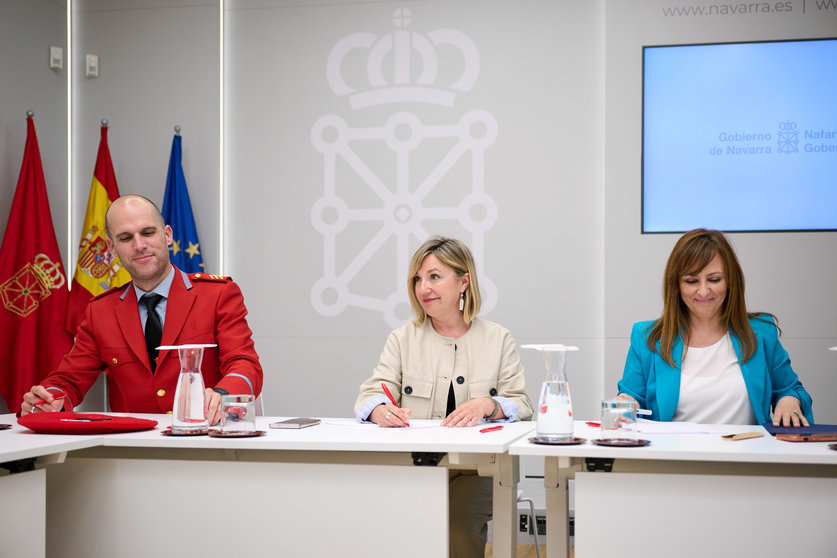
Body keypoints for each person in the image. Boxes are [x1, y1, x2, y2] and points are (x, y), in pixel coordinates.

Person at [354, 236, 533, 558]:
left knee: (456, 524)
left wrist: (487, 404)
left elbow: (522, 404)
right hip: (419, 465)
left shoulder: (498, 338)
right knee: (392, 522)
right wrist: (379, 409)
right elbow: (371, 392)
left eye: (434, 277)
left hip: (482, 471)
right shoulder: (402, 338)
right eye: (418, 279)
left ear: (464, 281)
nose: (424, 288)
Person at [20, 195, 262, 424]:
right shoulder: (101, 311)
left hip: (207, 435)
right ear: (112, 248)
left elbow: (245, 364)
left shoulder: (217, 294)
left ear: (167, 235)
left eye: (148, 233)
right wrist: (48, 400)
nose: (139, 245)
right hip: (136, 446)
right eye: (125, 238)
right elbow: (68, 379)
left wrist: (222, 394)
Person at [616, 228, 812, 427]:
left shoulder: (761, 334)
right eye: (691, 281)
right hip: (673, 456)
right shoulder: (647, 338)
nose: (703, 291)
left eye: (714, 279)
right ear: (676, 285)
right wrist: (624, 405)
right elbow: (631, 399)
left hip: (746, 454)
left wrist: (789, 400)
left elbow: (791, 390)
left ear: (730, 281)